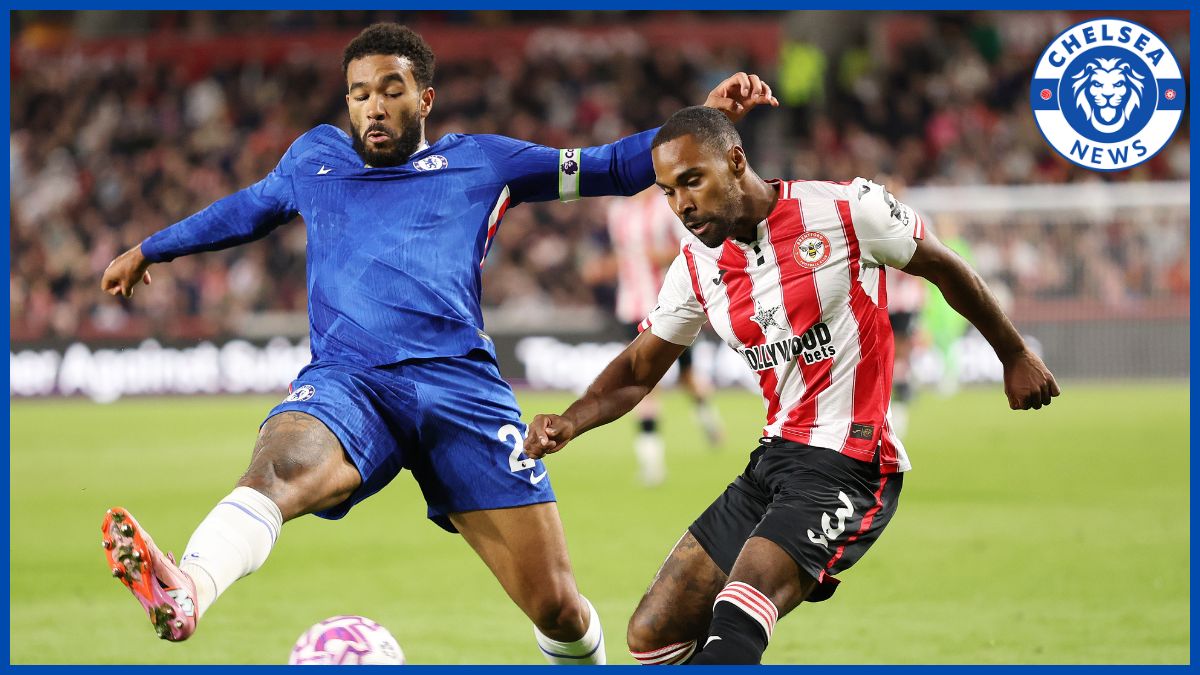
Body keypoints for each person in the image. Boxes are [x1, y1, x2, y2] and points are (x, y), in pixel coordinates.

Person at [98, 24, 778, 663]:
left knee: (559, 609)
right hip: (349, 382)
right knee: (277, 467)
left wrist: (701, 119)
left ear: (424, 97)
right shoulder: (315, 160)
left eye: (391, 90)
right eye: (360, 93)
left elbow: (609, 166)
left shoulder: (483, 163)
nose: (374, 106)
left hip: (463, 394)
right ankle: (187, 587)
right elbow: (244, 210)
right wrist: (151, 246)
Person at [523, 106, 1059, 665]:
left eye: (692, 181)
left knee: (737, 618)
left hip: (851, 462)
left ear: (735, 161)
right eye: (667, 191)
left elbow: (945, 266)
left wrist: (1014, 353)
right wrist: (570, 420)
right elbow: (639, 369)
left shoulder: (848, 209)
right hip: (773, 461)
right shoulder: (696, 266)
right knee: (653, 634)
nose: (681, 204)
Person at [593, 188, 724, 486]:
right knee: (643, 380)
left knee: (688, 377)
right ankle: (652, 463)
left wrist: (659, 256)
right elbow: (621, 253)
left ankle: (707, 417)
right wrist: (607, 267)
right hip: (632, 307)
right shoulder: (617, 209)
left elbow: (688, 246)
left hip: (670, 305)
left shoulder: (664, 207)